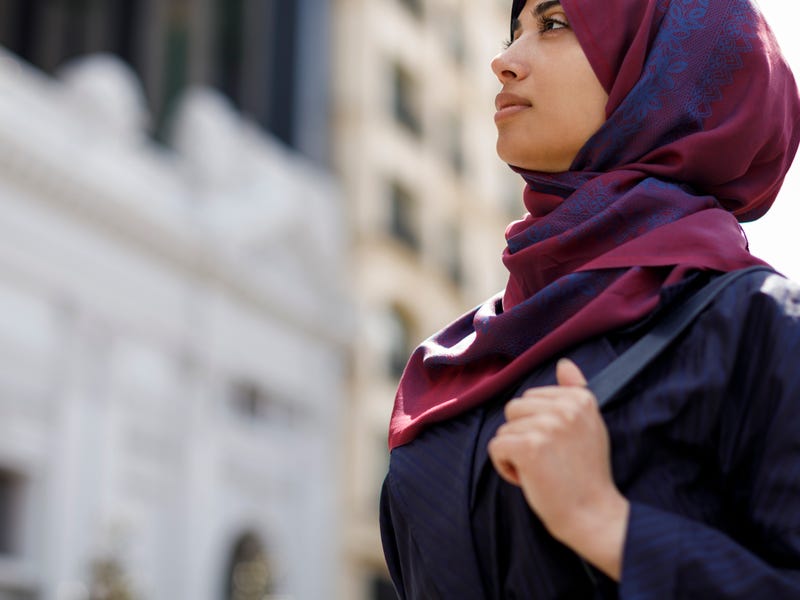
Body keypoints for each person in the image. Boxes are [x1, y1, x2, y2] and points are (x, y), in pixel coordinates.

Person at [379, 0, 800, 597]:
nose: (503, 61)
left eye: (554, 26)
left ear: (660, 69)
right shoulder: (453, 358)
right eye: (513, 31)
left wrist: (608, 525)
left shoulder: (761, 329)